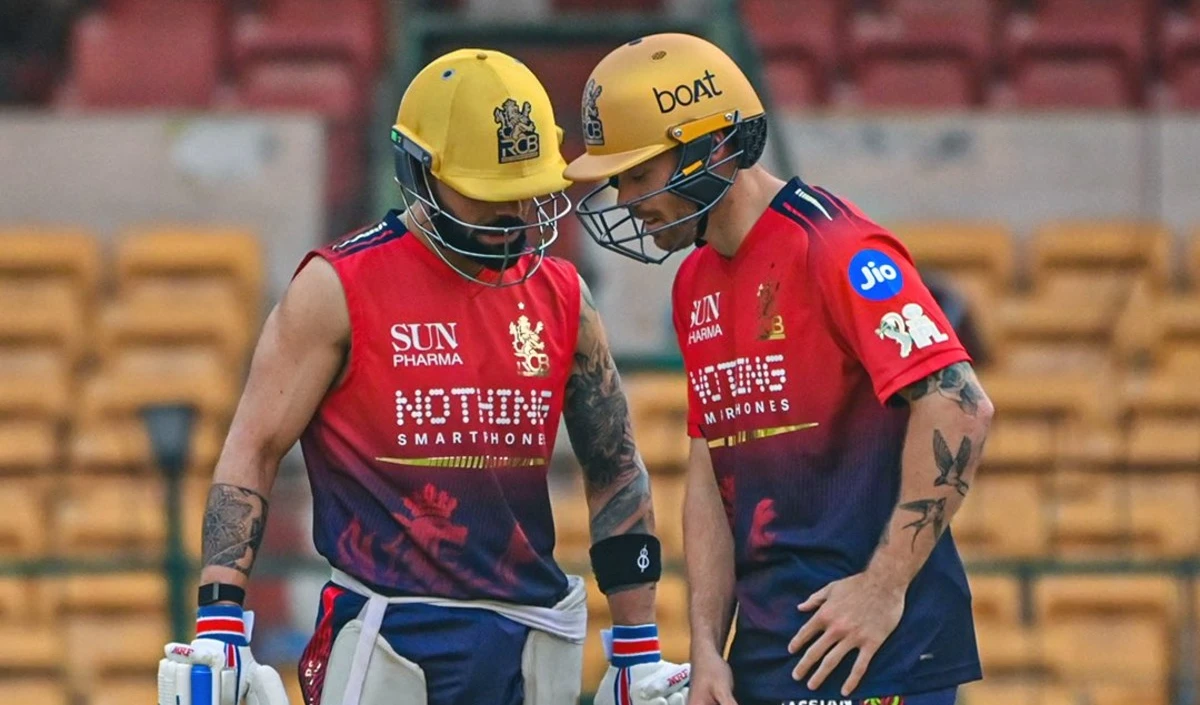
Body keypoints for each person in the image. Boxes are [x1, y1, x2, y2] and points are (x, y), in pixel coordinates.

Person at [156, 48, 690, 705]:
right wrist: (219, 624)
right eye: (490, 192)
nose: (515, 212)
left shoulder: (564, 296)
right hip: (388, 636)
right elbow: (254, 446)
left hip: (531, 642)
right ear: (417, 171)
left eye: (526, 190)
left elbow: (615, 467)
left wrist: (638, 649)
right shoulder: (336, 287)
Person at [564, 33, 995, 705]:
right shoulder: (694, 282)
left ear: (711, 148)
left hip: (877, 656)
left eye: (638, 174)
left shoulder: (836, 247)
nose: (625, 199)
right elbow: (710, 470)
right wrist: (708, 649)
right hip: (766, 655)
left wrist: (882, 586)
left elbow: (961, 406)